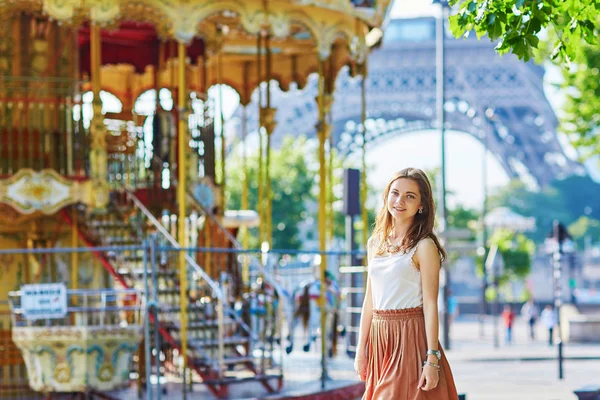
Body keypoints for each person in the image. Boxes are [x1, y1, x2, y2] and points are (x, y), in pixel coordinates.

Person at [353, 168, 458, 400]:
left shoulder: (424, 246)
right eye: (395, 193)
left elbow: (431, 304)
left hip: (409, 336)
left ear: (421, 205)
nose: (400, 201)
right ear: (386, 197)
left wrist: (432, 358)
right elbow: (370, 299)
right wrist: (361, 349)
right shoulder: (375, 243)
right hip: (380, 338)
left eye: (410, 196)